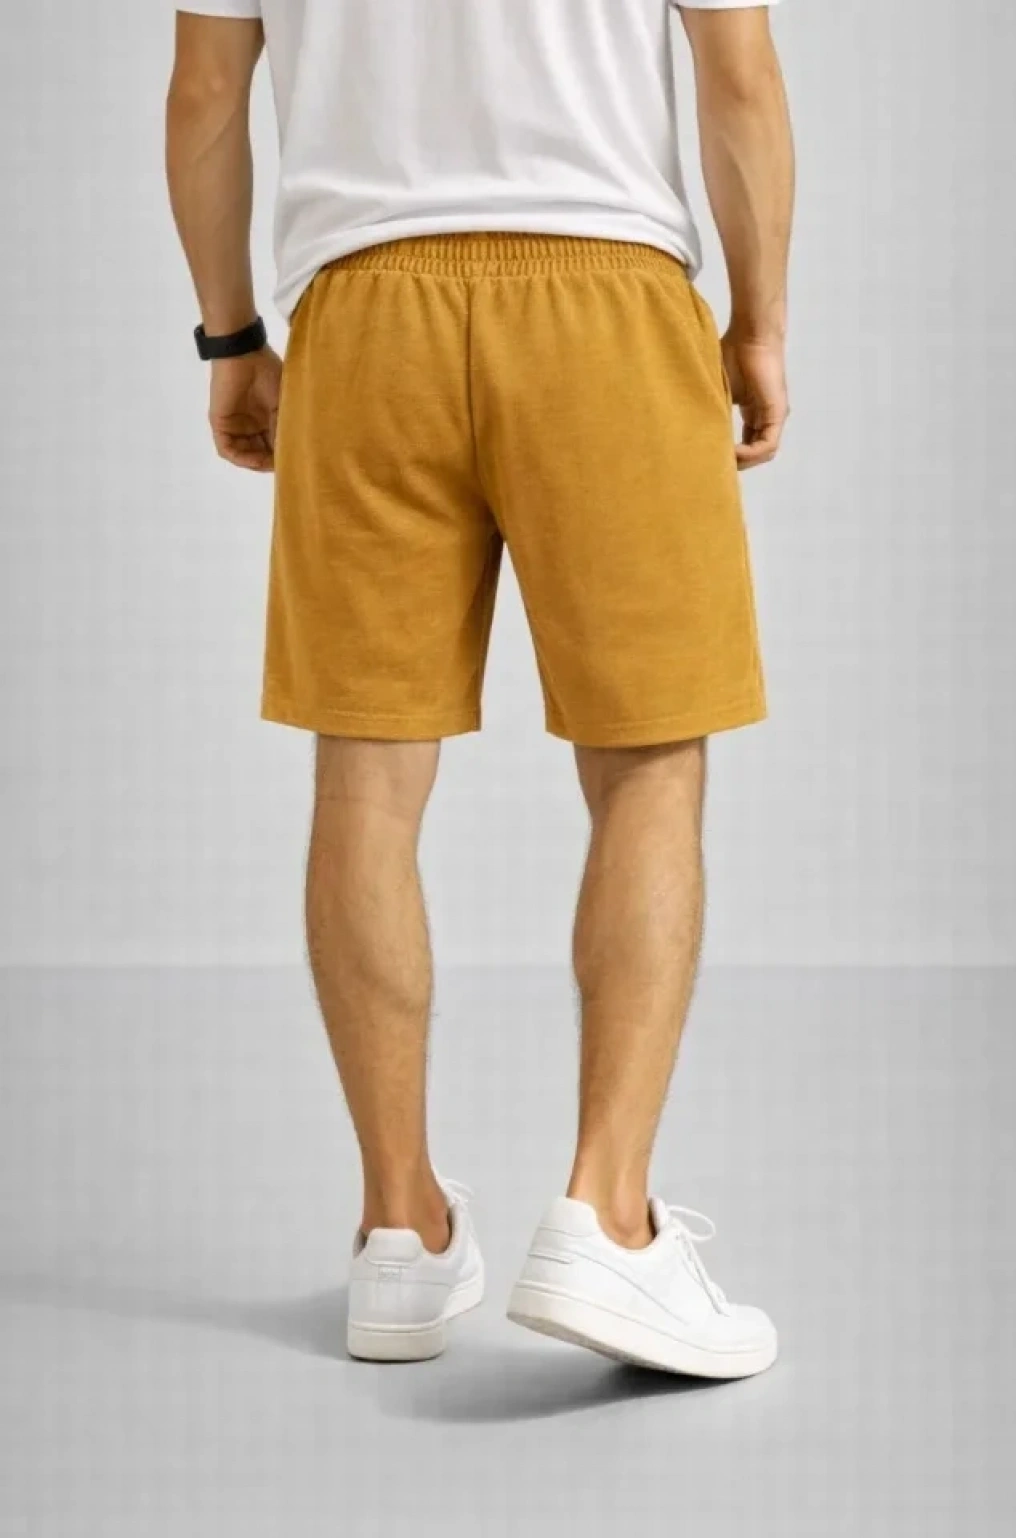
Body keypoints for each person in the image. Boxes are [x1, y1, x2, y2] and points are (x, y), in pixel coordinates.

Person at [166, 0, 794, 1376]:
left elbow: (206, 96)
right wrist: (758, 324)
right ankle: (607, 1218)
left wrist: (230, 338)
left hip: (364, 314)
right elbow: (740, 77)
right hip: (609, 299)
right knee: (647, 765)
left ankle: (399, 1230)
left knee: (366, 782)